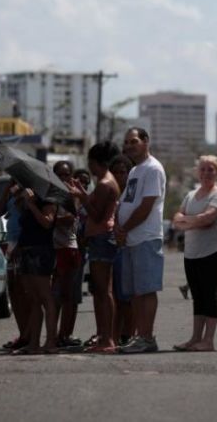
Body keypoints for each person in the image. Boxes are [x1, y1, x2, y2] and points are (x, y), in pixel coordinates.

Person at [115, 127, 166, 354]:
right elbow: (127, 202)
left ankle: (147, 337)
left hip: (146, 237)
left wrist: (124, 228)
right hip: (131, 239)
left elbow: (146, 206)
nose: (129, 146)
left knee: (146, 290)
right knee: (135, 291)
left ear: (146, 141)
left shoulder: (153, 169)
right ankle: (139, 335)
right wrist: (119, 226)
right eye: (126, 142)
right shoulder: (135, 170)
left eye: (133, 141)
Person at [69, 142, 121, 353]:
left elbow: (97, 214)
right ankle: (104, 337)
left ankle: (106, 339)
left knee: (103, 290)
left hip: (101, 238)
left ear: (97, 162)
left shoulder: (104, 184)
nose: (89, 167)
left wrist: (81, 197)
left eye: (90, 163)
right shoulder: (107, 182)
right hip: (101, 238)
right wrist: (83, 194)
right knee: (101, 291)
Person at [173, 155, 217, 352]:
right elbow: (176, 220)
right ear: (198, 172)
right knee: (197, 296)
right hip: (191, 253)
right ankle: (195, 338)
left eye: (211, 169)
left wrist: (187, 221)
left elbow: (209, 220)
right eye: (203, 169)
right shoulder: (190, 195)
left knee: (209, 294)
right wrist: (193, 221)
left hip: (212, 252)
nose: (206, 173)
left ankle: (208, 340)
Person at [15, 188, 58, 354]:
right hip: (26, 250)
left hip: (40, 251)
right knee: (33, 299)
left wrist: (32, 205)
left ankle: (51, 341)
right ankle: (34, 342)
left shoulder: (48, 201)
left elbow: (47, 223)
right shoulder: (27, 199)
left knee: (45, 297)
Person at [52, 161, 82, 348]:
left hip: (68, 248)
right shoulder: (51, 193)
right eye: (60, 175)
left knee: (66, 295)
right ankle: (54, 334)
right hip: (53, 247)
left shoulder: (72, 195)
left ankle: (63, 334)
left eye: (67, 174)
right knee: (54, 295)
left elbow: (70, 218)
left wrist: (49, 218)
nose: (64, 178)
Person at [0, 181, 30, 350]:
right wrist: (7, 190)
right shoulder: (13, 192)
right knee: (13, 289)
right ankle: (23, 332)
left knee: (24, 291)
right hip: (11, 241)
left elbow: (28, 219)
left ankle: (29, 334)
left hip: (23, 243)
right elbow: (0, 210)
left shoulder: (29, 192)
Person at [109, 154, 135, 345]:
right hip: (108, 247)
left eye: (123, 172)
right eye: (115, 172)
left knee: (127, 297)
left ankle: (128, 334)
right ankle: (113, 335)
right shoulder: (108, 191)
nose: (119, 175)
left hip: (127, 246)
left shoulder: (132, 194)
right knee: (115, 297)